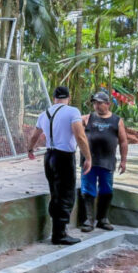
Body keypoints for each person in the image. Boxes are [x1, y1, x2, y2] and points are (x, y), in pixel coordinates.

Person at [27, 86, 92, 245]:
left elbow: (34, 136)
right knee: (66, 194)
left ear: (54, 98)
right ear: (68, 97)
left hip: (49, 156)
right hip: (64, 157)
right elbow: (80, 136)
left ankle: (58, 231)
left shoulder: (44, 114)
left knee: (55, 193)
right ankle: (60, 234)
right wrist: (88, 158)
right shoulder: (72, 112)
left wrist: (30, 149)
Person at [79, 91, 129, 232]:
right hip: (89, 161)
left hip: (107, 161)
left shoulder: (117, 120)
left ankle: (103, 219)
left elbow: (123, 141)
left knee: (106, 189)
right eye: (95, 103)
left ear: (108, 104)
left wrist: (123, 160)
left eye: (100, 103)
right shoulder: (87, 118)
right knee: (88, 189)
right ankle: (89, 220)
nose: (97, 106)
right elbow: (75, 131)